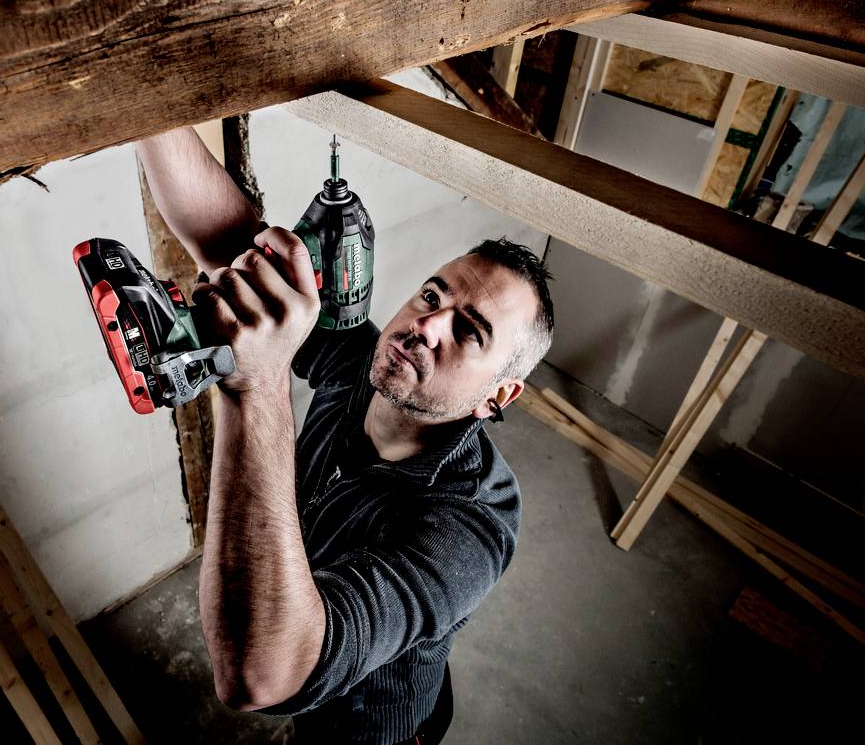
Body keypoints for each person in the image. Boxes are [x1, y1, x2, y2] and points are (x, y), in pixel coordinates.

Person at [135, 127, 554, 745]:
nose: (426, 326)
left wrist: (255, 382)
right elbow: (226, 242)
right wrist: (152, 114)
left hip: (373, 731)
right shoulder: (363, 365)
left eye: (468, 332)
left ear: (499, 395)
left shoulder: (472, 526)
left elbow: (261, 676)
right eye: (431, 296)